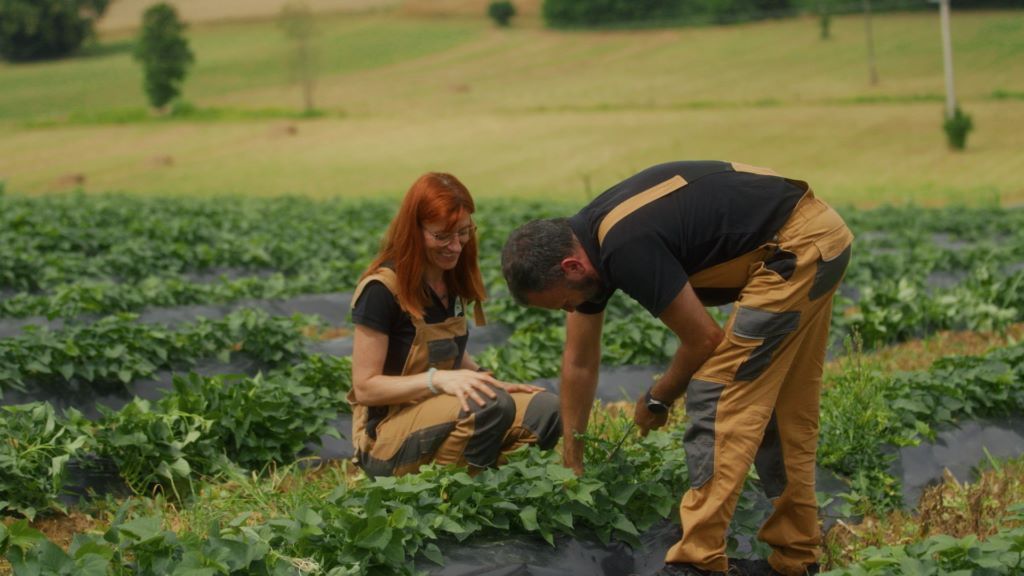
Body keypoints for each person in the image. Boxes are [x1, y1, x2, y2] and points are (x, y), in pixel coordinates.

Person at [501, 161, 852, 576]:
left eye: (564, 303)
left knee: (715, 394)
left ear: (571, 268)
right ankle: (797, 559)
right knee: (780, 408)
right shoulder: (586, 242)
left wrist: (658, 397)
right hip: (815, 237)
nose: (572, 310)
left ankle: (697, 563)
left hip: (795, 246)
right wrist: (572, 459)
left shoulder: (623, 245)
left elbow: (704, 339)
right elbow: (578, 362)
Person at [349, 172, 561, 477]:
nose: (455, 246)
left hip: (437, 415)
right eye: (442, 236)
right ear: (413, 230)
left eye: (463, 232)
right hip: (386, 437)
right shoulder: (381, 290)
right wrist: (438, 380)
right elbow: (366, 387)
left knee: (546, 409)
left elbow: (449, 351)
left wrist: (483, 379)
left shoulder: (450, 283)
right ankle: (445, 498)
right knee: (489, 407)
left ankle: (496, 488)